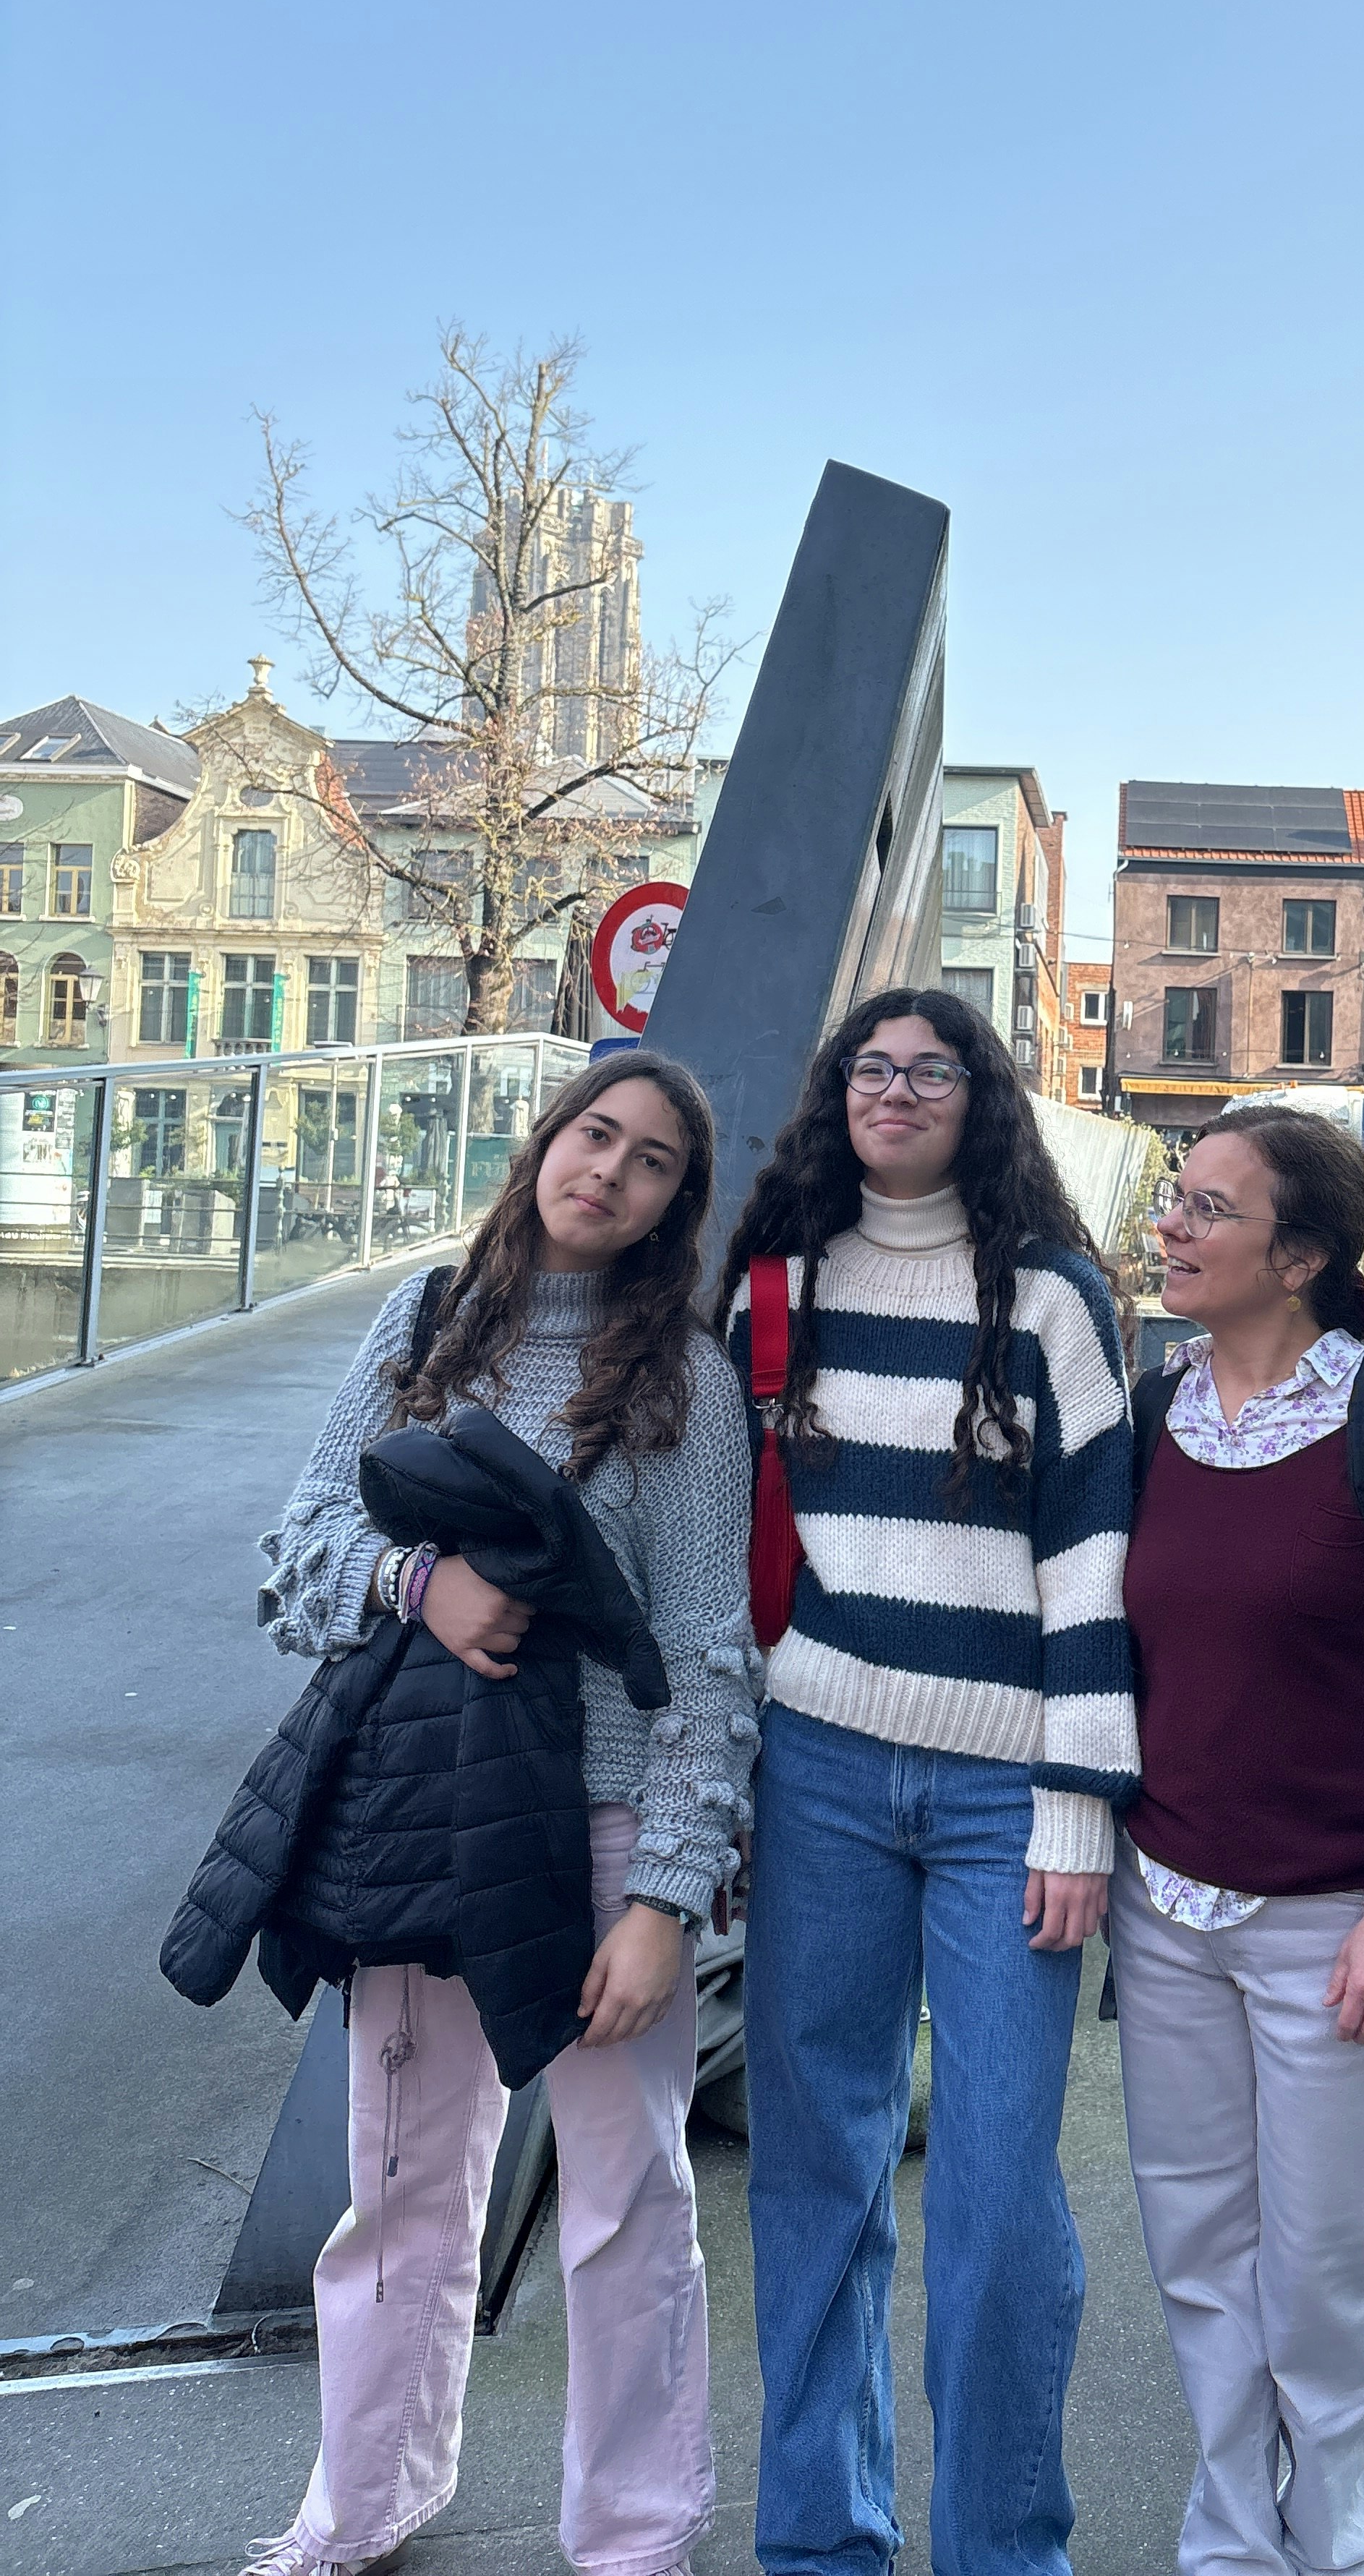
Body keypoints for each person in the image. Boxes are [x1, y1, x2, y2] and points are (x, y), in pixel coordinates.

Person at [241, 1050, 756, 2576]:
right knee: (400, 2187)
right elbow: (299, 1549)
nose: (613, 1172)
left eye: (654, 1161)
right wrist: (422, 1584)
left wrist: (665, 1901)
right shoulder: (425, 1323)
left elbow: (711, 1655)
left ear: (674, 1206)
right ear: (546, 1143)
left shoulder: (684, 1385)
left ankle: (636, 2534)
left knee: (624, 2198)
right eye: (598, 1135)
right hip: (426, 1814)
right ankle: (361, 2504)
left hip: (600, 1838)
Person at [717, 988, 1138, 2576]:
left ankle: (1000, 2549)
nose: (896, 1091)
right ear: (839, 1093)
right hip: (815, 1769)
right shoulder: (777, 1285)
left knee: (999, 2196)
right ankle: (822, 2541)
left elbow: (1095, 1564)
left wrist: (1080, 1803)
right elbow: (721, 1541)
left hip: (1004, 1798)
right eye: (871, 1068)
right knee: (816, 2174)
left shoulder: (1053, 1299)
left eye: (931, 1070)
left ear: (980, 1097)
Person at [1111, 1106, 1364, 2576]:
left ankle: (1333, 2540)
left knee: (1323, 2273)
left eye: (1209, 1208)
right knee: (1198, 2257)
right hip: (1166, 1915)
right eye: (1177, 1196)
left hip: (1336, 1927)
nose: (1173, 1226)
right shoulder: (1151, 1415)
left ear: (1299, 1258)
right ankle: (1231, 2538)